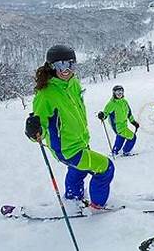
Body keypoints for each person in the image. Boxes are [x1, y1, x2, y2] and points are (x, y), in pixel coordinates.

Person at [25, 45, 114, 210]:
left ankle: (73, 198)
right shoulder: (45, 95)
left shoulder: (74, 84)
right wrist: (33, 130)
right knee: (105, 168)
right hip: (66, 149)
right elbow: (41, 128)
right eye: (61, 65)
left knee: (78, 171)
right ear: (51, 66)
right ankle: (97, 205)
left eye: (71, 64)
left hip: (80, 141)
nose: (66, 70)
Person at [97, 85, 140, 156]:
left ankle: (115, 151)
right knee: (132, 137)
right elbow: (106, 113)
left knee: (121, 137)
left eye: (121, 91)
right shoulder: (111, 104)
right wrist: (102, 115)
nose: (120, 93)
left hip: (124, 125)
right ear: (114, 93)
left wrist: (133, 122)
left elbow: (129, 113)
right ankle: (126, 151)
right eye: (117, 92)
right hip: (117, 126)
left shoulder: (124, 102)